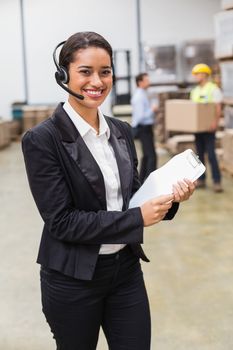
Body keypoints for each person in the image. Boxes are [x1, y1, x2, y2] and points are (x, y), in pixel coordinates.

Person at [22, 31, 196, 350]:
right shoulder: (42, 140)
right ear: (63, 75)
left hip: (125, 271)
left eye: (105, 71)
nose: (97, 82)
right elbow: (62, 221)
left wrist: (171, 197)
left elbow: (132, 196)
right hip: (73, 278)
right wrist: (137, 219)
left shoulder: (121, 131)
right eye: (85, 72)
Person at [190, 63, 223, 193]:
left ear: (204, 74)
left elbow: (218, 108)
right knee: (199, 155)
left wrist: (215, 123)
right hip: (198, 129)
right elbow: (192, 110)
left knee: (211, 155)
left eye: (197, 74)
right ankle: (201, 179)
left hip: (209, 128)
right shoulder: (195, 91)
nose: (196, 77)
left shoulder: (213, 89)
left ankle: (217, 181)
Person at [131, 72, 158, 183]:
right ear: (140, 82)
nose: (149, 82)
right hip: (143, 128)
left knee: (147, 156)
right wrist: (152, 110)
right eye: (146, 80)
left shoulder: (143, 94)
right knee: (151, 156)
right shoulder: (139, 97)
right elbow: (140, 117)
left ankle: (141, 180)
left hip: (146, 128)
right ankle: (152, 182)